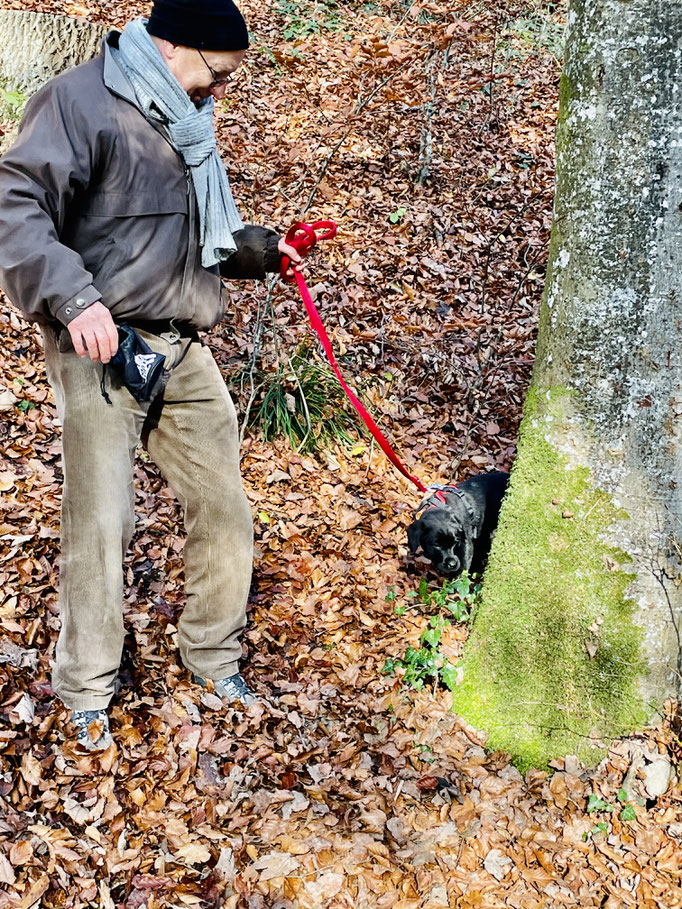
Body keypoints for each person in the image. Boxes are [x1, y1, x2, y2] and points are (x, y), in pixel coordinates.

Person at [0, 0, 302, 751]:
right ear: (172, 47)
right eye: (217, 75)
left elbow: (199, 231)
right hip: (100, 348)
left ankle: (211, 655)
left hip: (183, 345)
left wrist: (264, 251)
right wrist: (73, 298)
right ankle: (86, 688)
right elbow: (14, 208)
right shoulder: (77, 101)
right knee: (103, 522)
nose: (221, 93)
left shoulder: (186, 117)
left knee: (226, 506)